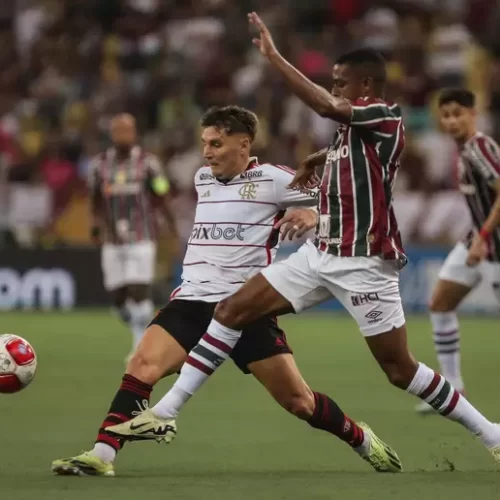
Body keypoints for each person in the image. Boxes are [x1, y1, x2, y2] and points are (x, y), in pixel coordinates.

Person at [107, 13, 500, 466]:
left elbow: (329, 109)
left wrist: (275, 58)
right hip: (319, 255)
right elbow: (344, 153)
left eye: (340, 83)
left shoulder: (385, 117)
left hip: (365, 263)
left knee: (399, 369)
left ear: (367, 85)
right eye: (331, 82)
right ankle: (165, 411)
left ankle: (489, 431)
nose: (333, 90)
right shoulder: (349, 132)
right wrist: (320, 161)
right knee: (232, 309)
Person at [52, 105, 402, 477]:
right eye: (205, 143)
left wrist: (313, 215)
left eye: (217, 144)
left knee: (299, 401)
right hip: (191, 300)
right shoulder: (203, 178)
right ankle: (102, 455)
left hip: (245, 307)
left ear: (244, 144)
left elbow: (345, 203)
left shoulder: (274, 179)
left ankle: (361, 439)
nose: (207, 152)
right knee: (142, 365)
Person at [415, 89, 500, 414]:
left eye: (457, 113)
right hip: (475, 242)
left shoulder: (479, 148)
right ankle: (454, 388)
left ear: (472, 114)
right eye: (446, 115)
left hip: (491, 246)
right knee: (440, 303)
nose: (451, 121)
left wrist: (483, 235)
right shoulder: (463, 151)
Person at [88, 114, 176, 360]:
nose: (123, 135)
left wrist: (171, 227)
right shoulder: (100, 165)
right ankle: (138, 326)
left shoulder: (148, 164)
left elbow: (161, 195)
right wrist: (95, 224)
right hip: (112, 239)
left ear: (134, 132)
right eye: (118, 131)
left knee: (139, 290)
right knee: (118, 299)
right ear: (112, 134)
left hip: (142, 236)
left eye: (127, 130)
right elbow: (95, 199)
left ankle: (141, 343)